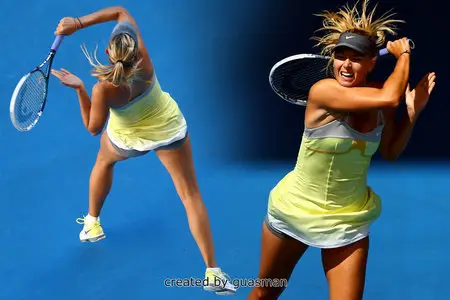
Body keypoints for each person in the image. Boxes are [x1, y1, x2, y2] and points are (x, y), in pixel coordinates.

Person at [248, 1, 436, 299]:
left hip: (347, 219)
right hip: (295, 210)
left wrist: (412, 114)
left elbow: (390, 151)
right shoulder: (323, 91)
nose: (346, 65)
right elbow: (390, 97)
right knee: (265, 292)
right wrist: (403, 56)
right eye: (340, 56)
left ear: (372, 62)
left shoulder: (378, 100)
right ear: (332, 59)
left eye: (356, 58)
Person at [51, 6, 236, 295]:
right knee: (190, 195)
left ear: (112, 55)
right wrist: (78, 23)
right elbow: (121, 11)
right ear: (136, 51)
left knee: (103, 161)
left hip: (128, 142)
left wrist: (79, 89)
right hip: (169, 130)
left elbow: (92, 128)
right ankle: (214, 272)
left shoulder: (103, 88)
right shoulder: (145, 61)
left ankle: (92, 225)